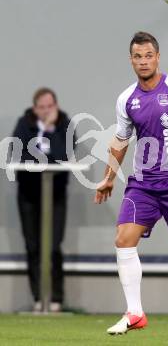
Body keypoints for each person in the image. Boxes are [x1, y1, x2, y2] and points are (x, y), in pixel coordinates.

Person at [95, 31, 168, 346]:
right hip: (144, 184)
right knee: (123, 239)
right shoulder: (126, 99)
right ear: (131, 59)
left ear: (157, 57)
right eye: (137, 56)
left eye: (148, 55)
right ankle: (135, 312)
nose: (143, 61)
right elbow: (120, 140)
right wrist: (108, 176)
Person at [13, 87, 73, 313]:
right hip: (29, 194)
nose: (46, 111)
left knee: (54, 244)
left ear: (55, 106)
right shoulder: (24, 124)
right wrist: (42, 151)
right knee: (33, 245)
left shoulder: (64, 124)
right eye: (42, 107)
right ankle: (39, 297)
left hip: (55, 193)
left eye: (50, 106)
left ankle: (56, 298)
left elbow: (63, 154)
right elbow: (19, 154)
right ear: (35, 108)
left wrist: (51, 130)